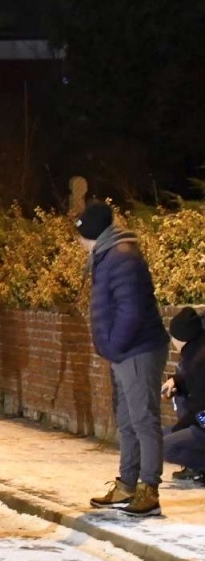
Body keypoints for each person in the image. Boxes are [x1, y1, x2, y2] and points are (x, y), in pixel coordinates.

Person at [79, 202, 172, 518]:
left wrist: (114, 346)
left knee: (143, 419)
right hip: (125, 351)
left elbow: (130, 311)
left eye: (80, 233)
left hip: (137, 350)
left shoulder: (121, 258)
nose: (77, 241)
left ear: (91, 233)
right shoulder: (108, 256)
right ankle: (128, 484)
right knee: (128, 420)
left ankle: (149, 489)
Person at [164, 307, 205, 483]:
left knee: (163, 447)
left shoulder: (197, 362)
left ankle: (200, 465)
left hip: (202, 420)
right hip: (199, 417)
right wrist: (176, 381)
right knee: (158, 437)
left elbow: (200, 405)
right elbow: (188, 378)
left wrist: (181, 428)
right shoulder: (196, 351)